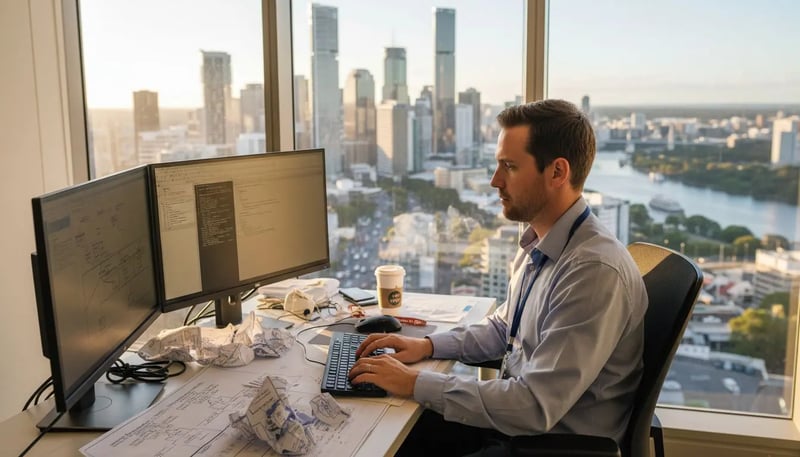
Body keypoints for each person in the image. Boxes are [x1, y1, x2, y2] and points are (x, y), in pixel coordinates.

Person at [349, 99, 648, 456]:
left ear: (557, 172)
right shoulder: (540, 242)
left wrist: (415, 382)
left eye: (509, 166)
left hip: (547, 445)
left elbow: (534, 406)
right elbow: (504, 329)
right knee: (380, 424)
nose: (495, 181)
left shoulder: (592, 272)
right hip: (514, 427)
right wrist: (427, 346)